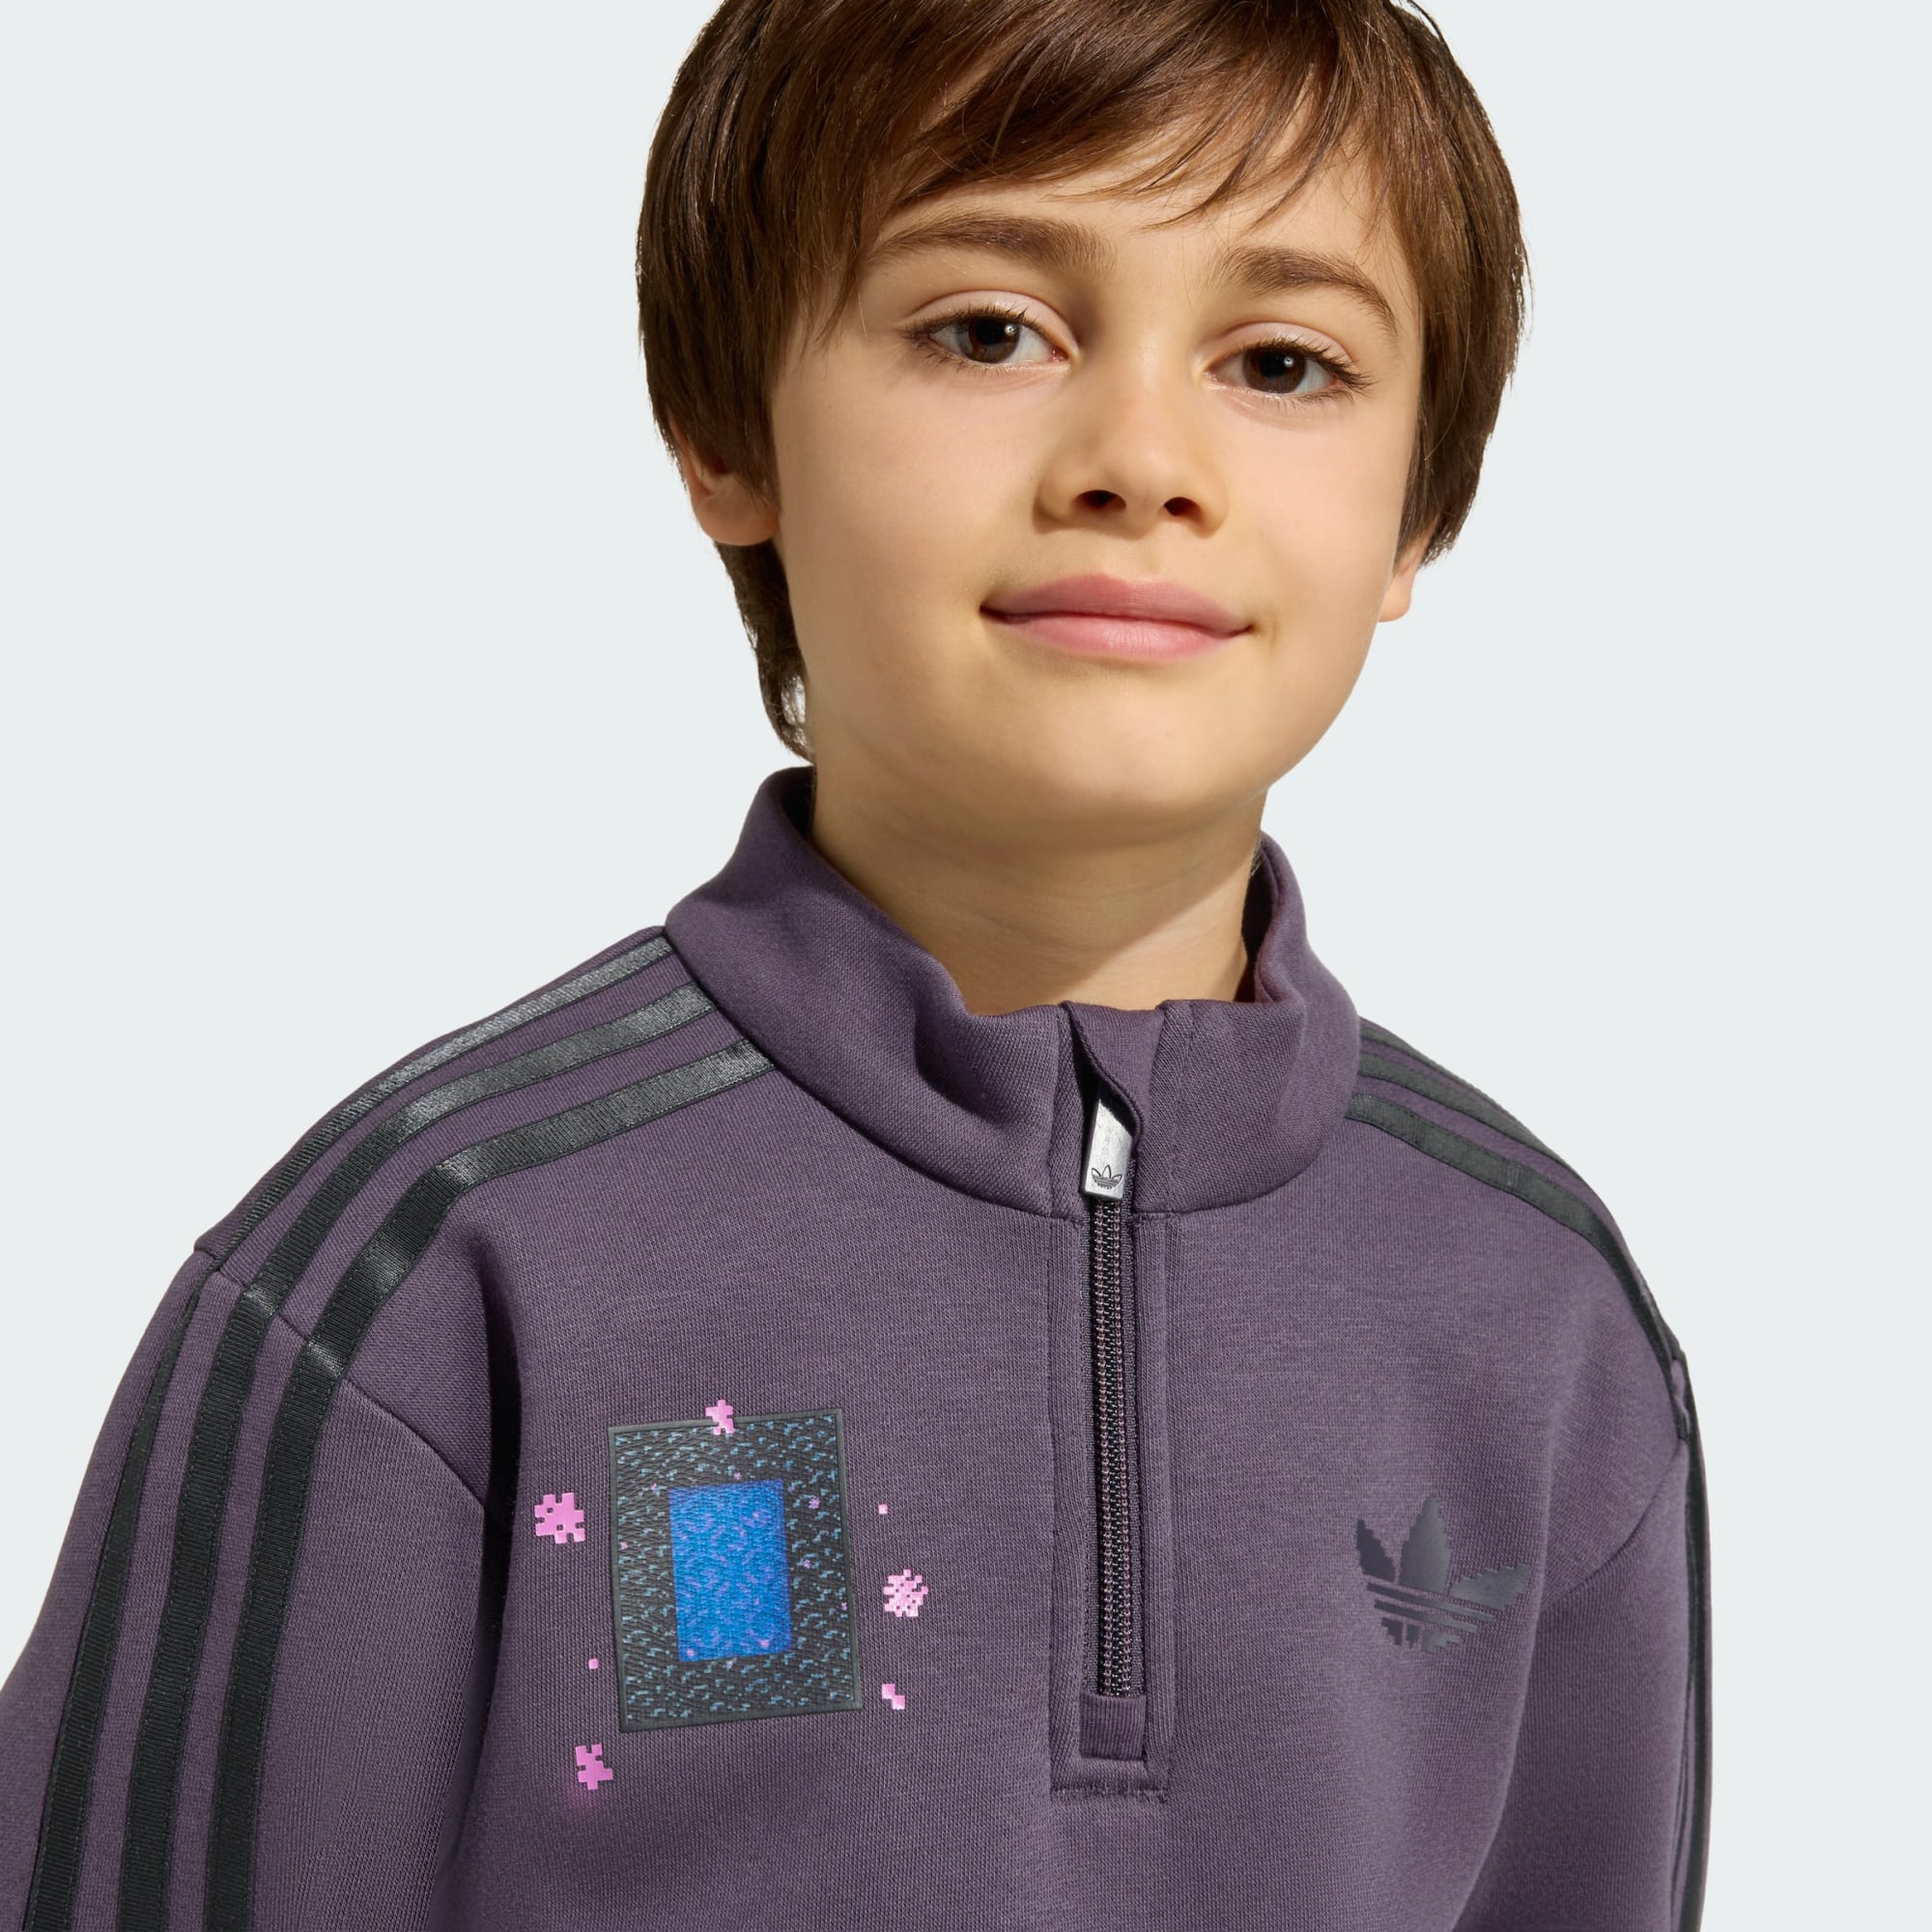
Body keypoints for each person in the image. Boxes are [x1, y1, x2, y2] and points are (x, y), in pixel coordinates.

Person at [0, 1, 1711, 1926]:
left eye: (1282, 362)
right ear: (728, 431)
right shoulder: (433, 1267)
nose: (1141, 461)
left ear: (1418, 515)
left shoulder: (1541, 1317)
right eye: (988, 330)